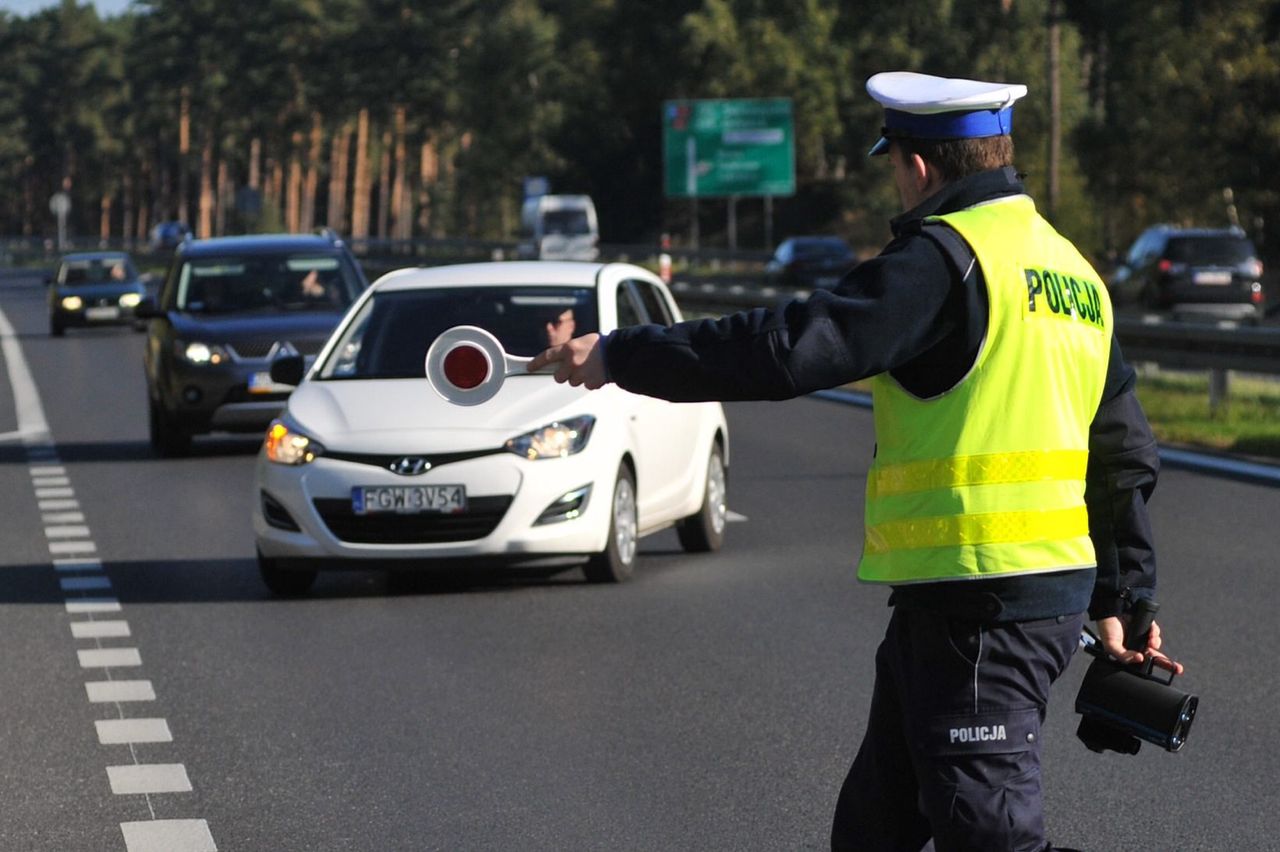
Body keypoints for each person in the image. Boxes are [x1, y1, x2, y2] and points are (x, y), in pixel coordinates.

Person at [529, 71, 1178, 851]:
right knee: (875, 831)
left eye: (892, 165)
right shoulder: (1074, 275)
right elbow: (1123, 455)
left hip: (982, 603)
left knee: (990, 836)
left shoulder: (946, 262)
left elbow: (787, 349)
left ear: (918, 166)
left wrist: (621, 354)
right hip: (979, 603)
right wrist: (1124, 597)